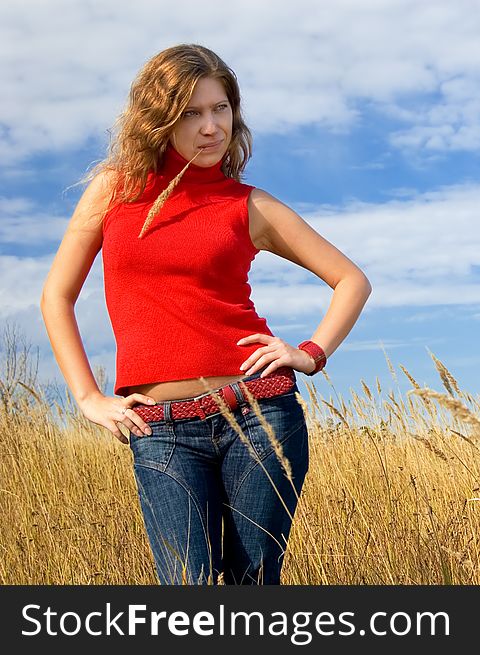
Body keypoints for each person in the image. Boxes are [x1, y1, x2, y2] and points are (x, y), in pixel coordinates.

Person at [40, 44, 372, 584]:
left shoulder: (249, 205)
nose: (211, 126)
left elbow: (351, 279)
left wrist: (308, 354)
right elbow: (56, 296)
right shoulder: (115, 190)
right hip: (161, 428)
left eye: (221, 109)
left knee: (252, 585)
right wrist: (87, 398)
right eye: (192, 113)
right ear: (159, 119)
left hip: (260, 414)